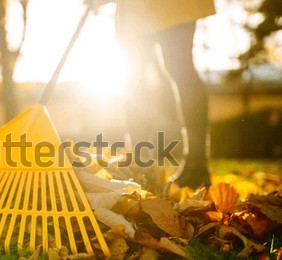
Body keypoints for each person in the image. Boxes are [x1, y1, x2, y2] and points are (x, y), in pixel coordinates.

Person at [90, 0, 215, 189]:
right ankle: (140, 166)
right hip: (133, 7)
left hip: (171, 6)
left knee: (179, 68)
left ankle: (196, 165)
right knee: (134, 77)